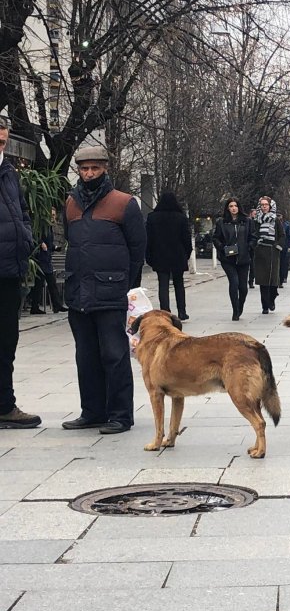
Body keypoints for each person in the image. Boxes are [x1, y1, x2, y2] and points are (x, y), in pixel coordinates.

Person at [61, 145, 146, 435]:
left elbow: (137, 249)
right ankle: (92, 411)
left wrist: (125, 283)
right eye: (84, 169)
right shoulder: (70, 203)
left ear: (105, 168)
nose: (88, 173)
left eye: (94, 168)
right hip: (78, 292)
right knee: (85, 356)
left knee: (114, 354)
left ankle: (121, 414)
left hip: (111, 292)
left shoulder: (123, 203)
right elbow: (72, 240)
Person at [0, 119, 42, 429]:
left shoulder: (9, 173)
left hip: (9, 271)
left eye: (2, 143)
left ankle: (5, 404)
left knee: (7, 341)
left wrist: (25, 238)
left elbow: (22, 212)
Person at [145, 192, 192, 321]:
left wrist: (149, 256)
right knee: (179, 284)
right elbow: (186, 239)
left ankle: (165, 312)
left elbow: (148, 239)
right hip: (178, 255)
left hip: (159, 255)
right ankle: (182, 311)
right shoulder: (181, 218)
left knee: (163, 285)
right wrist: (187, 254)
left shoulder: (152, 218)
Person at [213, 197, 256, 320]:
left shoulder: (247, 221)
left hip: (243, 258)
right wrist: (222, 247)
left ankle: (240, 305)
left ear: (239, 207)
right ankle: (235, 310)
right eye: (231, 206)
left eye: (235, 206)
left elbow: (253, 237)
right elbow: (216, 238)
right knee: (234, 282)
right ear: (228, 208)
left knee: (243, 287)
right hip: (228, 259)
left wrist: (248, 247)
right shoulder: (221, 222)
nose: (233, 208)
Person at [29, 206, 67, 314]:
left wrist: (55, 247)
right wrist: (41, 243)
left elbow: (49, 244)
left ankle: (56, 305)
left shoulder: (49, 227)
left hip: (46, 259)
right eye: (51, 215)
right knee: (43, 283)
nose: (53, 217)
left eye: (54, 215)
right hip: (41, 259)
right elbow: (35, 236)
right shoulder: (42, 226)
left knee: (49, 283)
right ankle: (38, 306)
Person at [253, 196, 284, 313]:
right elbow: (254, 234)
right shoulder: (257, 220)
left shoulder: (276, 220)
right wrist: (255, 244)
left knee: (273, 280)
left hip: (273, 252)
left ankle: (272, 298)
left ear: (270, 206)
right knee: (263, 280)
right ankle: (265, 306)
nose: (264, 206)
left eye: (266, 204)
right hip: (261, 251)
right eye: (262, 205)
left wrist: (278, 246)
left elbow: (282, 235)